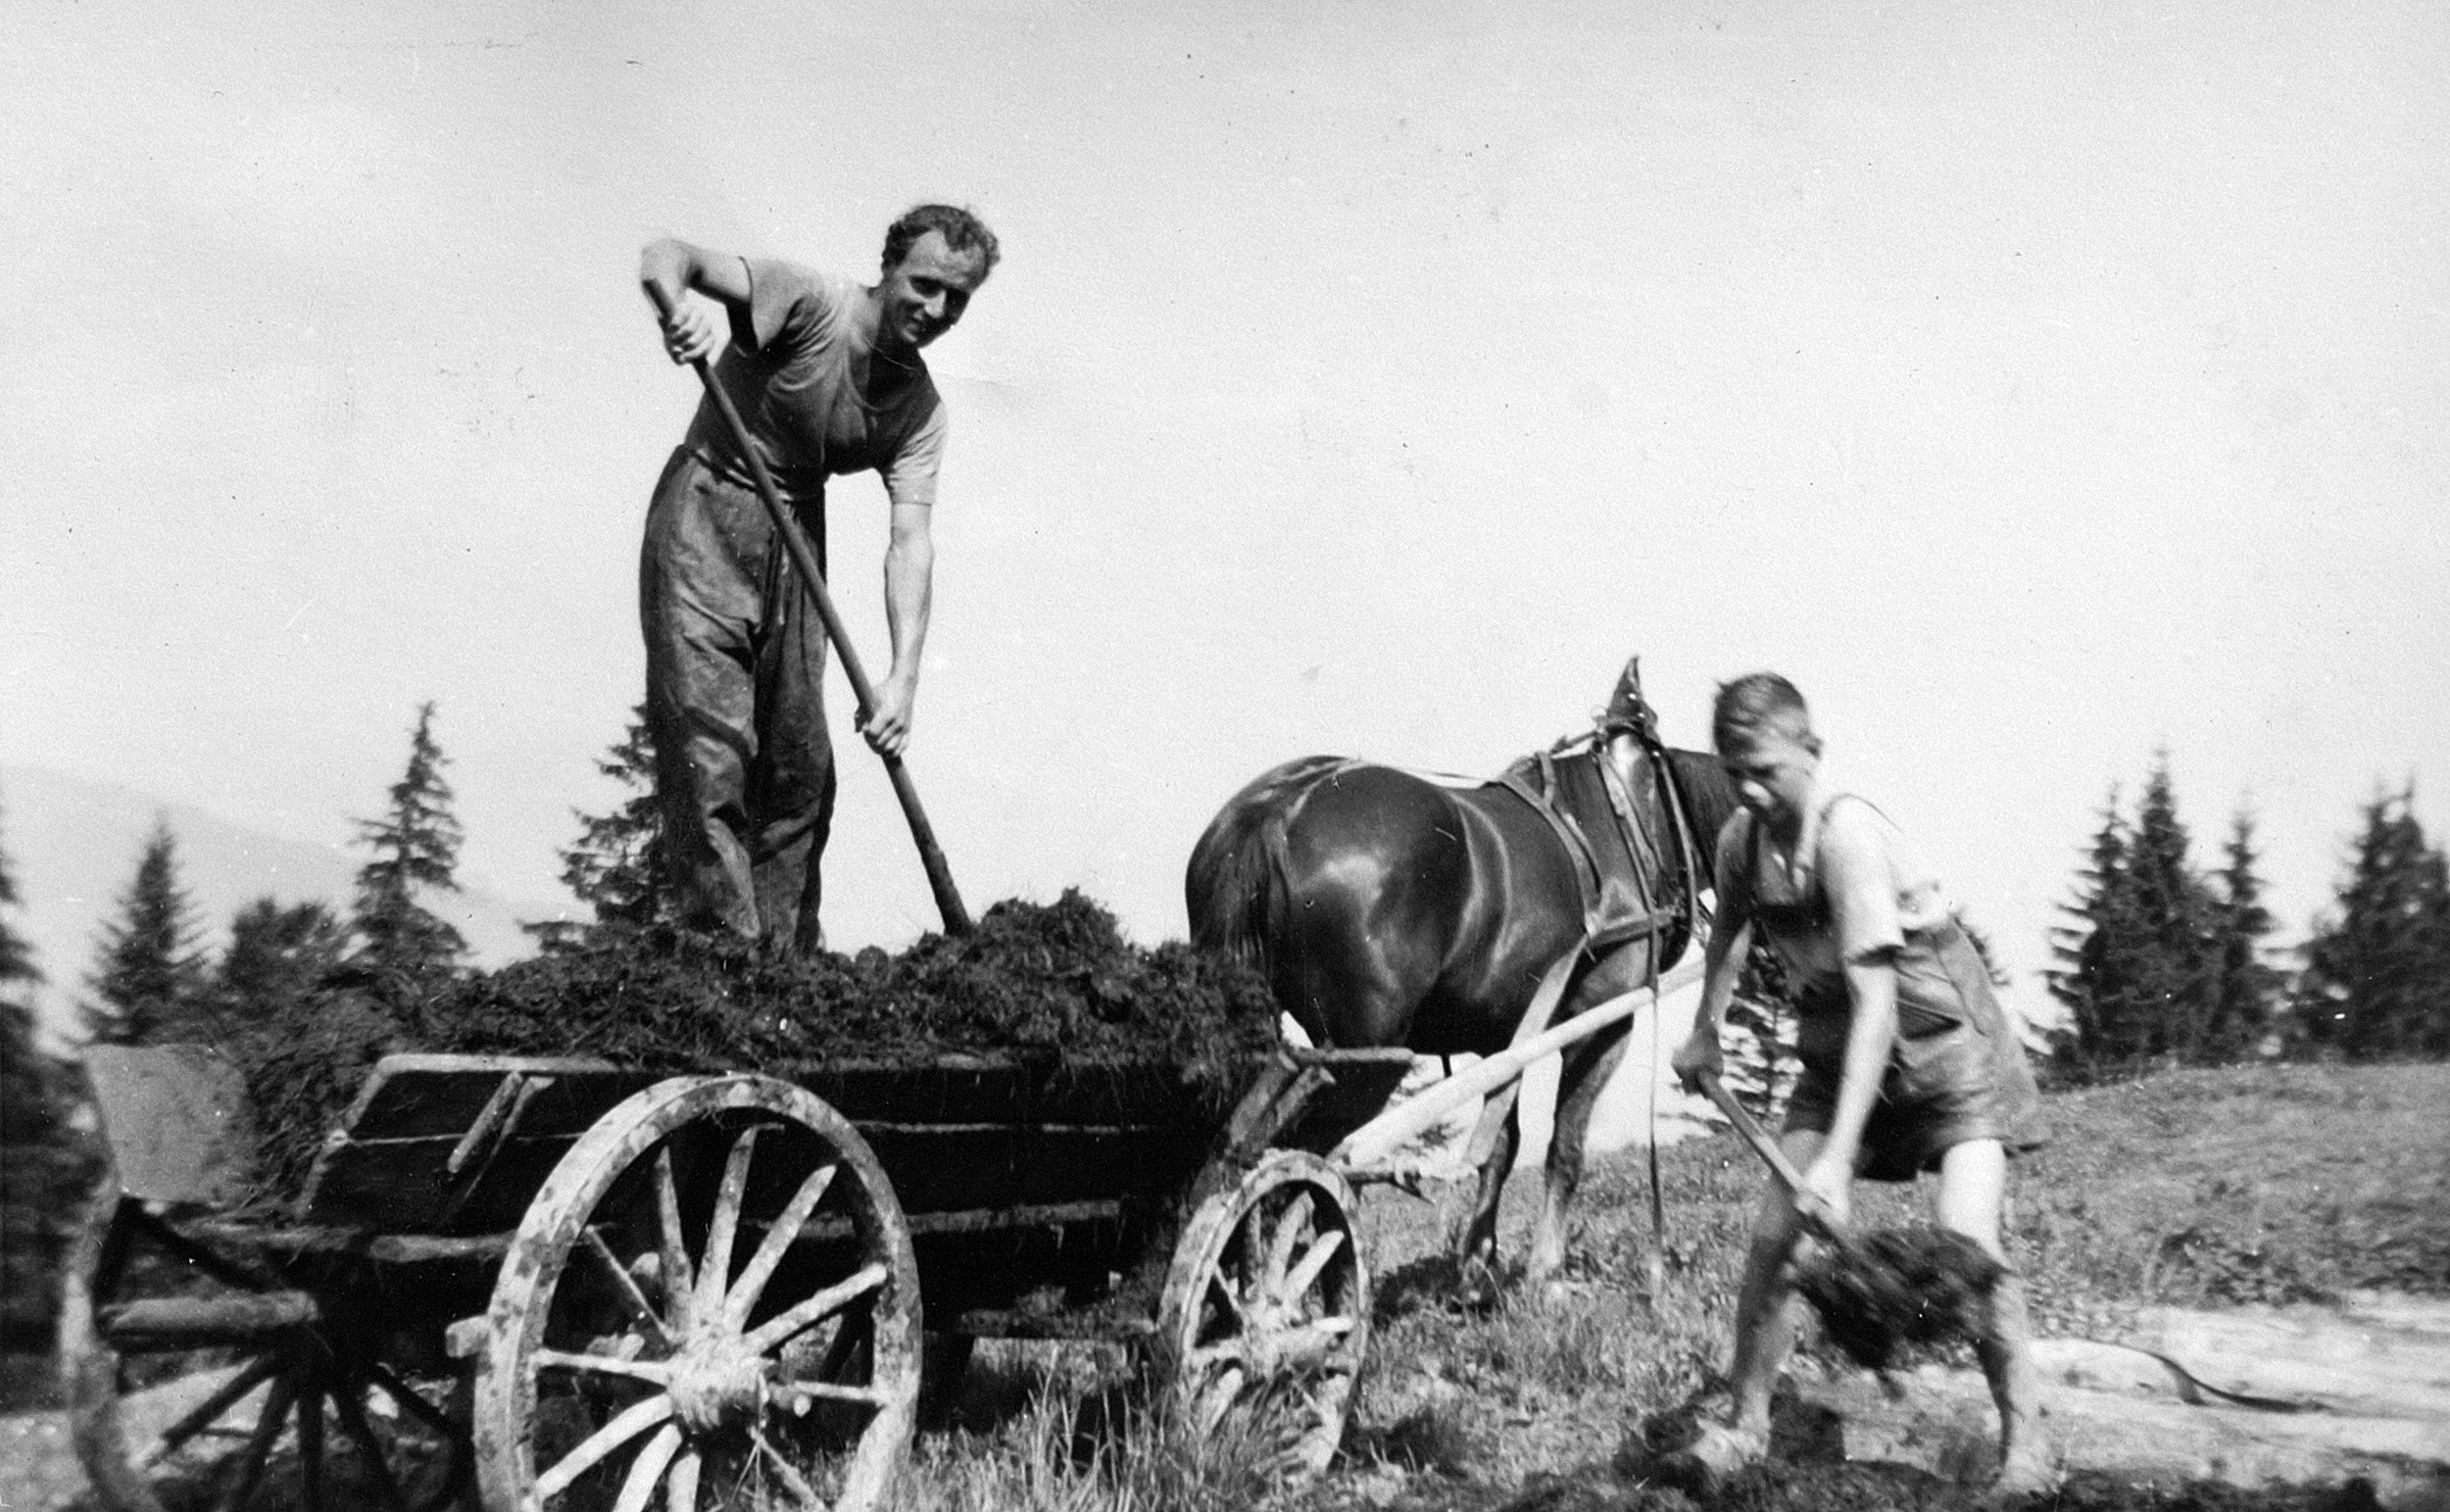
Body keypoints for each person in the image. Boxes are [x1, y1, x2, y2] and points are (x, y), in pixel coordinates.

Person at [1669, 673, 2052, 1497]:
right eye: (1734, 771)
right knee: (1776, 1235)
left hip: (1946, 1052)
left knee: (1967, 1248)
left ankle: (2027, 1445)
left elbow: (1878, 1005)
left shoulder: (1847, 838)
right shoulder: (1741, 840)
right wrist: (1706, 1028)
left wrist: (1838, 1161)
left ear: (1813, 751)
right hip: (1838, 1053)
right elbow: (1728, 928)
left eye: (1766, 769)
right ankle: (1745, 1425)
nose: (1749, 788)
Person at [636, 206, 998, 952]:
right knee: (711, 750)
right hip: (708, 506)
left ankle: (785, 966)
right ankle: (726, 959)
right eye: (924, 285)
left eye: (956, 299)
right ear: (888, 267)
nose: (936, 310)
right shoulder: (806, 300)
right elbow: (669, 255)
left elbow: (910, 542)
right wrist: (675, 310)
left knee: (800, 772)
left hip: (798, 534)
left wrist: (902, 679)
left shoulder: (921, 410)